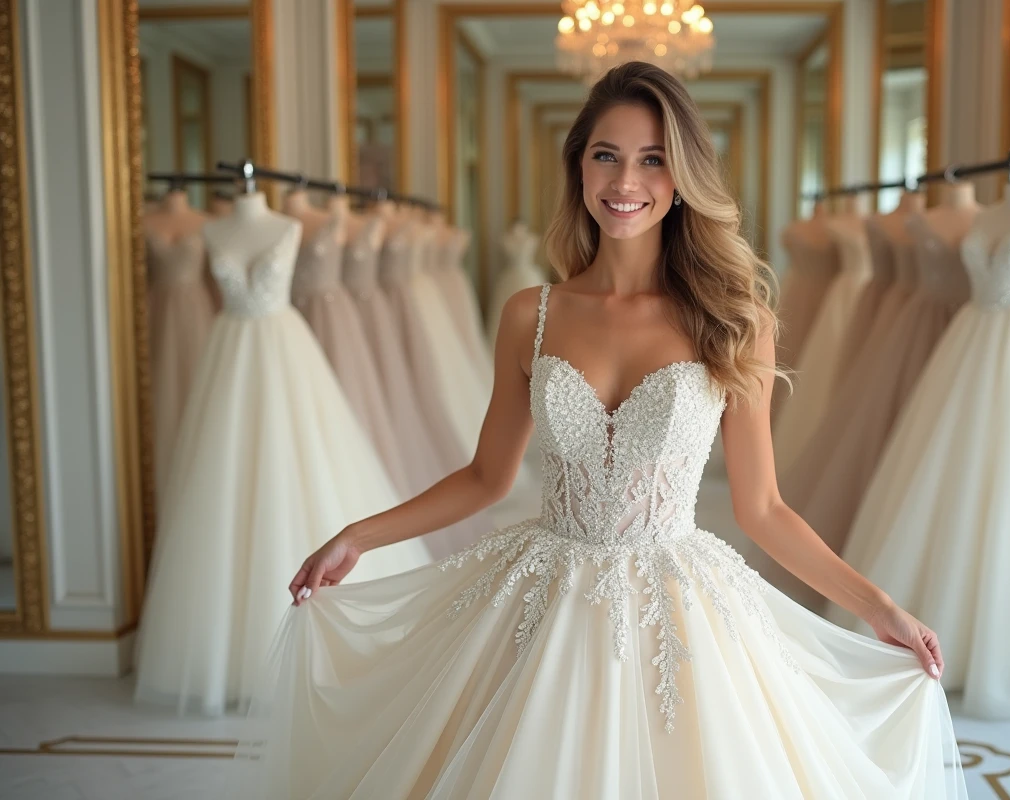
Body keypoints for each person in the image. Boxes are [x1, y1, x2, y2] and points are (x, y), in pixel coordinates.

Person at [232, 62, 967, 799]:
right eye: (606, 155)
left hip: (679, 609)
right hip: (543, 601)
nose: (626, 181)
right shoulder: (532, 313)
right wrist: (358, 535)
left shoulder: (735, 320)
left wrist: (881, 609)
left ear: (681, 178)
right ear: (578, 166)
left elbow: (762, 509)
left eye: (653, 159)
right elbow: (485, 478)